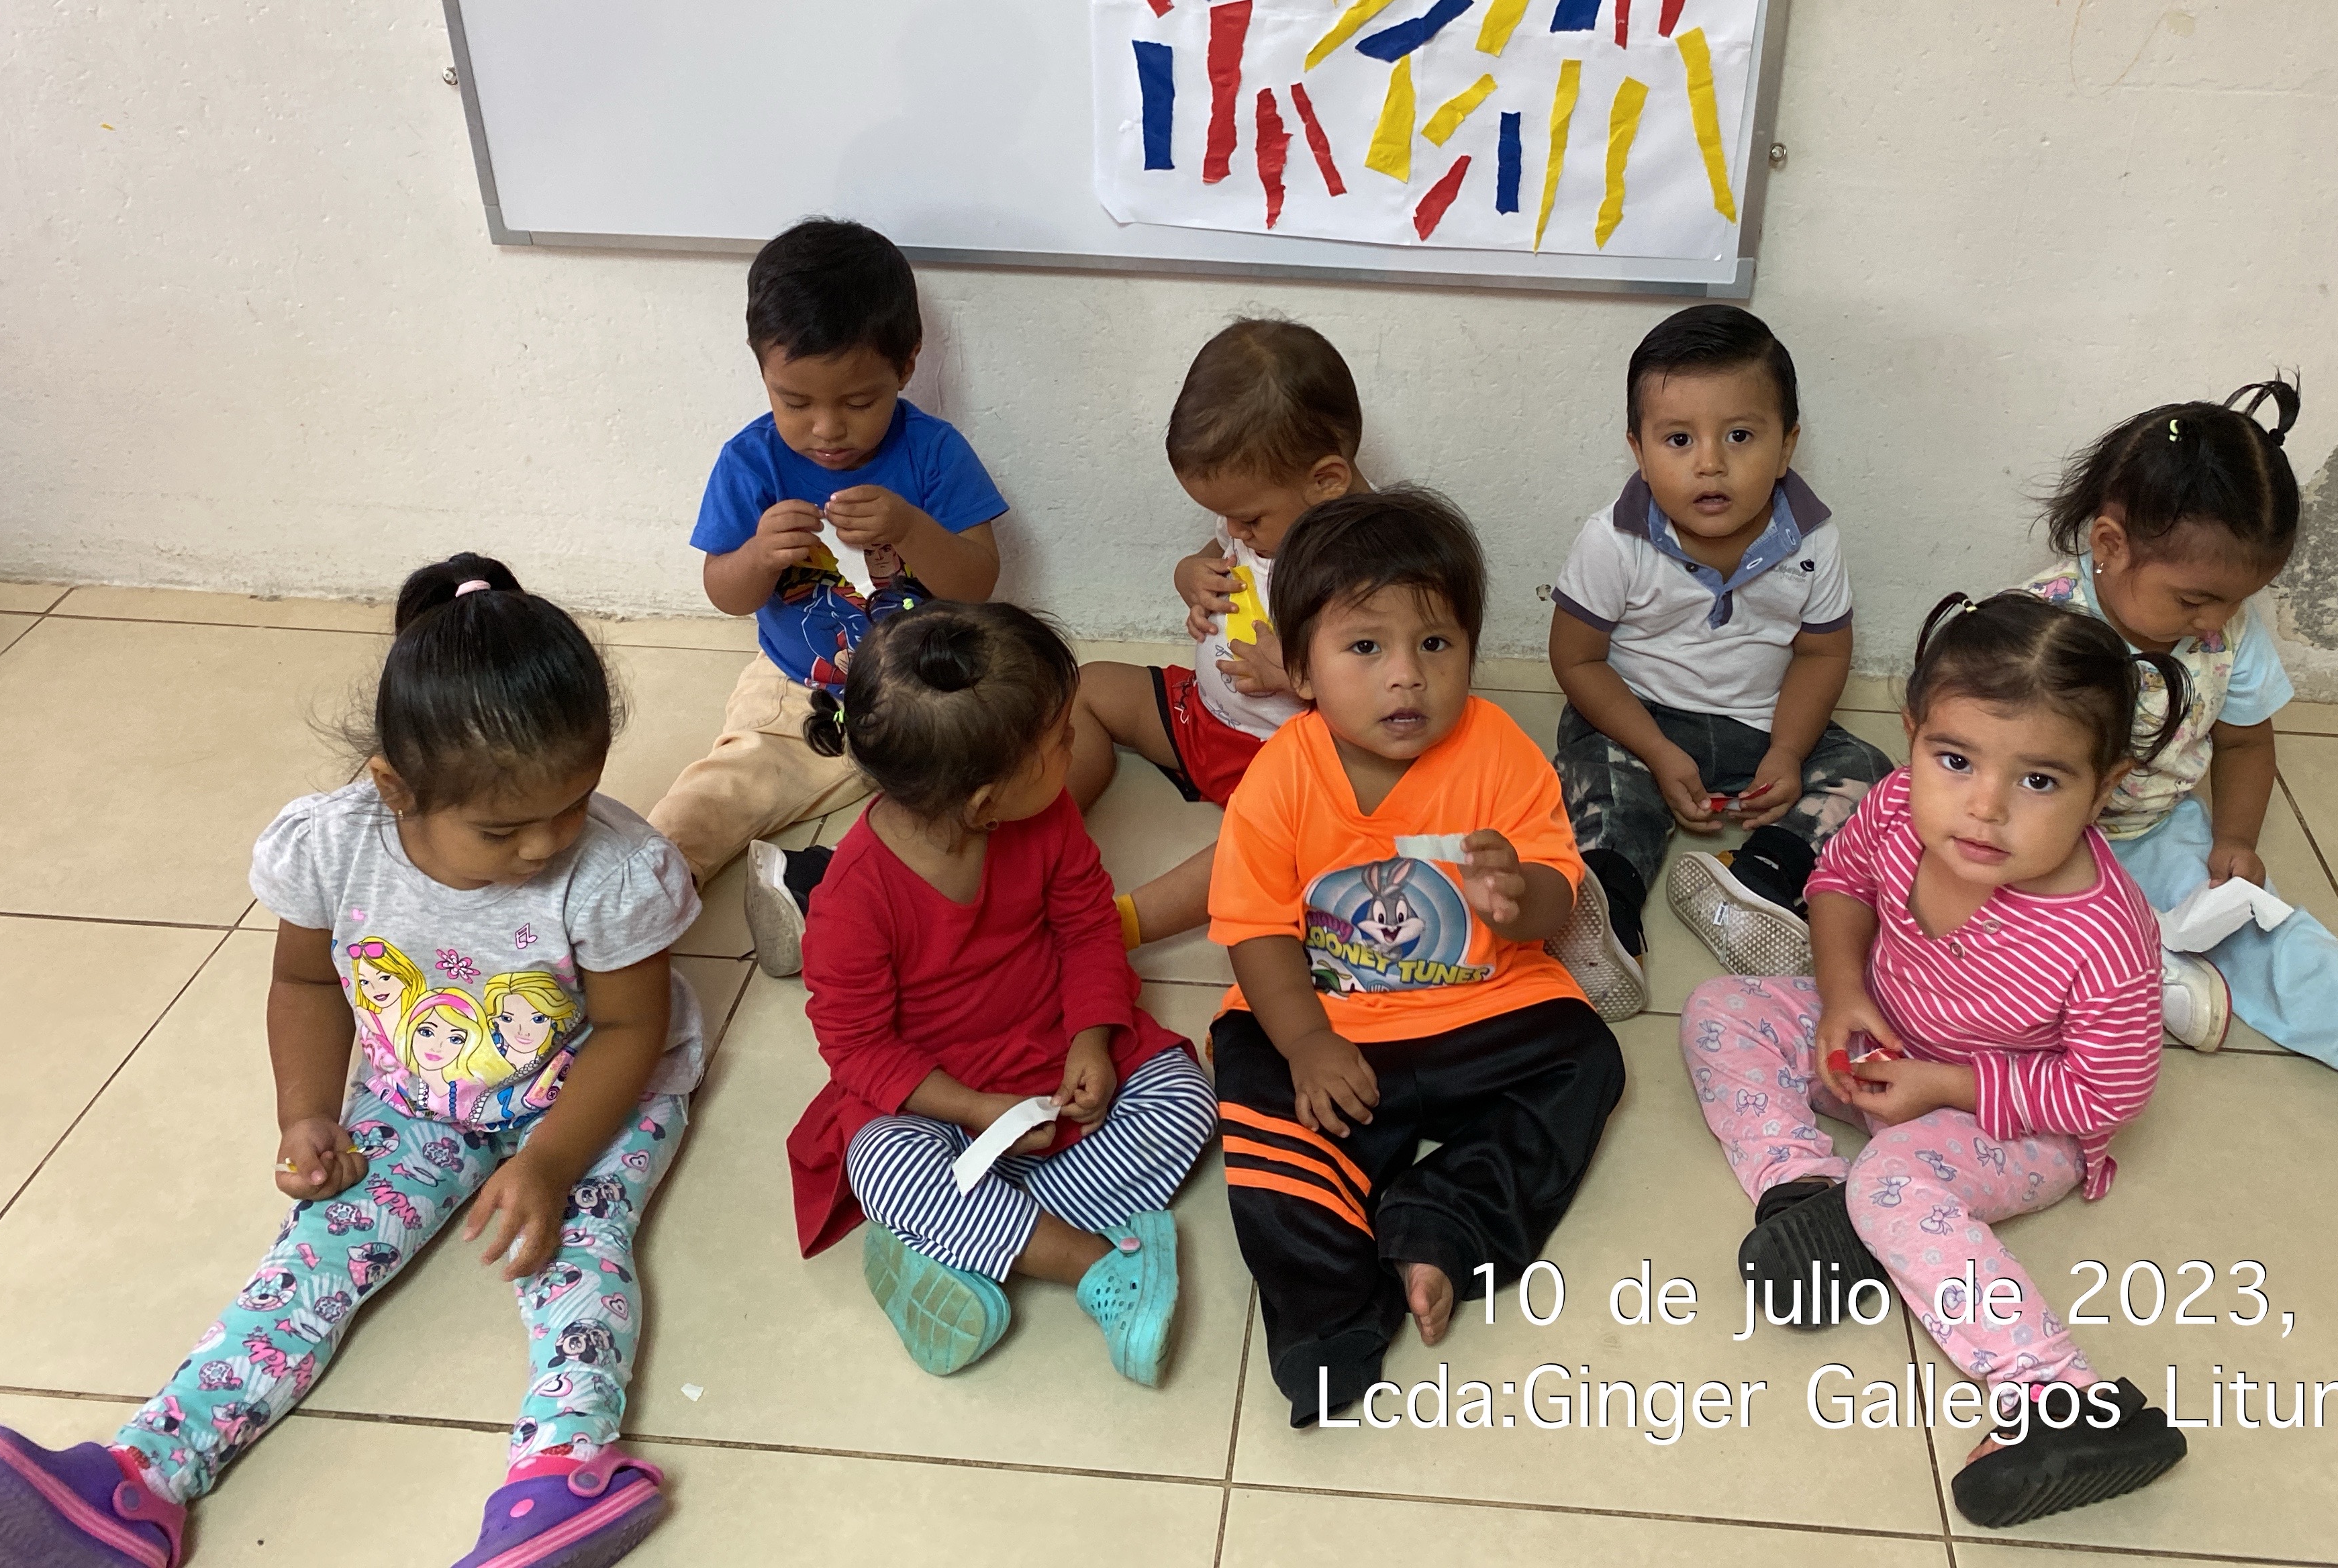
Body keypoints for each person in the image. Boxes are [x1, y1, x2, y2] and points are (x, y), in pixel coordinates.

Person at [0, 555, 708, 1568]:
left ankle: (566, 1469)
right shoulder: (332, 847)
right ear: (395, 788)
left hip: (588, 1089)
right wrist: (307, 1113)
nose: (546, 846)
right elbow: (307, 982)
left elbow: (632, 1031)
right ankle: (141, 1476)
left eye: (575, 804)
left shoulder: (615, 873)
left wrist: (549, 1164)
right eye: (503, 828)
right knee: (315, 1256)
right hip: (418, 1092)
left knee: (576, 1245)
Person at [1684, 591, 2190, 1528]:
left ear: (2105, 787)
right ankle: (1804, 1191)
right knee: (1723, 1010)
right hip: (1889, 1041)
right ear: (1913, 734)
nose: (1985, 808)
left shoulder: (2105, 934)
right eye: (1955, 761)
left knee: (1895, 1176)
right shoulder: (1894, 810)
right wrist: (1845, 996)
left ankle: (2060, 1396)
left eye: (2040, 781)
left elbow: (2107, 1095)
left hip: (2019, 1120)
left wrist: (1944, 1088)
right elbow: (1839, 883)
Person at [2023, 381, 2338, 1192]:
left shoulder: (2224, 634)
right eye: (2195, 599)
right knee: (1968, 943)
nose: (2214, 621)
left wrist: (2234, 840)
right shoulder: (2034, 631)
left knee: (2267, 937)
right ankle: (2142, 971)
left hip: (2151, 833)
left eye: (2236, 601)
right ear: (2110, 544)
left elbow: (2245, 740)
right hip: (2031, 846)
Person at [1208, 489, 1626, 1425]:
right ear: (1301, 669)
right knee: (1260, 1108)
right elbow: (1255, 928)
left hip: (1480, 1010)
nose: (1407, 677)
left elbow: (1556, 885)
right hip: (1329, 1024)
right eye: (1366, 647)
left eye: (1435, 644)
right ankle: (1327, 1318)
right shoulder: (1280, 777)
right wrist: (1305, 1043)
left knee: (1589, 1061)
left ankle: (1444, 1218)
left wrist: (1523, 895)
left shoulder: (1499, 750)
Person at [786, 603, 1216, 1385]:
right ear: (985, 802)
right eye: (1059, 745)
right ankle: (1090, 1261)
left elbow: (1088, 926)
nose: (1077, 746)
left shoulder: (1047, 815)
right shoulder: (853, 899)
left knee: (1186, 1100)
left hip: (1049, 1040)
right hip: (938, 1095)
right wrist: (975, 1109)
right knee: (881, 1164)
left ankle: (968, 1242)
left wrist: (1091, 1038)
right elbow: (857, 1049)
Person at [648, 217, 1008, 980]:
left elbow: (978, 582)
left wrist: (910, 527)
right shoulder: (752, 461)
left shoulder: (934, 451)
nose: (826, 429)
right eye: (795, 402)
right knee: (715, 798)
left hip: (925, 689)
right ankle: (629, 907)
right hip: (798, 688)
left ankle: (826, 893)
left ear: (908, 364)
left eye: (859, 401)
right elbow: (723, 591)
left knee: (992, 796)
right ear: (762, 372)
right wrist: (757, 556)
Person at [1548, 303, 1892, 1014]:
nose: (1710, 462)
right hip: (1637, 721)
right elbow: (1577, 661)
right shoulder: (1613, 541)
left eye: (1740, 435)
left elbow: (1823, 652)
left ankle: (1754, 880)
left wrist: (1789, 751)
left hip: (1761, 725)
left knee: (1875, 776)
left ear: (1787, 445)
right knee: (1600, 779)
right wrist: (1654, 750)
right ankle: (1607, 907)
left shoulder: (1813, 539)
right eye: (1679, 439)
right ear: (1638, 450)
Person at [1065, 318, 1371, 949]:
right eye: (1223, 516)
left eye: (1248, 518)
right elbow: (1222, 551)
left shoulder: (1369, 562)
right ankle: (1042, 830)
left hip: (1286, 760)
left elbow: (1385, 686)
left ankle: (1121, 924)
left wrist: (1294, 675)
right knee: (1090, 687)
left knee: (1274, 844)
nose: (1234, 529)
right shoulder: (1265, 510)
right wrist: (1191, 574)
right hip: (1203, 717)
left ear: (1327, 481)